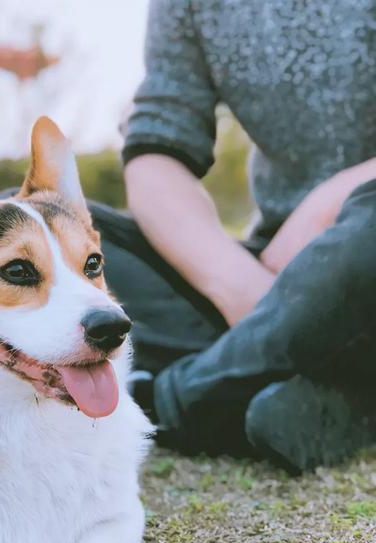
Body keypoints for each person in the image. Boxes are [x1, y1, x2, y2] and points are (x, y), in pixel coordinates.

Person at [87, 0, 376, 472]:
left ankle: (179, 398)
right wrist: (243, 288)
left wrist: (326, 206)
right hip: (275, 275)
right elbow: (158, 154)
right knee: (44, 224)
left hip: (356, 248)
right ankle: (319, 389)